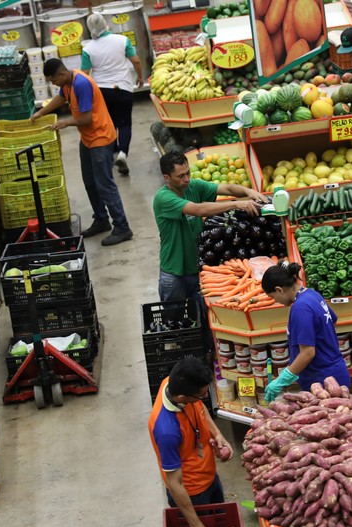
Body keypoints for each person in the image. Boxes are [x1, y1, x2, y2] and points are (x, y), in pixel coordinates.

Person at [31, 58, 133, 246]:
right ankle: (101, 220)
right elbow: (61, 97)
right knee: (89, 182)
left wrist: (65, 122)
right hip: (87, 139)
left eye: (54, 81)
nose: (54, 85)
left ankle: (122, 227)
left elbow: (86, 118)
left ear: (61, 74)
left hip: (100, 138)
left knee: (105, 184)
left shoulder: (81, 84)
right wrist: (41, 113)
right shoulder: (68, 84)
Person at [154, 150, 266, 309]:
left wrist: (248, 191)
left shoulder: (193, 186)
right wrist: (236, 204)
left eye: (188, 173)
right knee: (177, 322)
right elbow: (199, 210)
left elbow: (226, 188)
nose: (186, 179)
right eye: (180, 176)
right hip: (174, 273)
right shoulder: (163, 198)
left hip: (199, 269)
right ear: (167, 178)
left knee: (203, 318)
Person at [149, 355, 234, 527]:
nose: (204, 397)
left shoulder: (171, 384)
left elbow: (200, 406)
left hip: (210, 478)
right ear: (182, 398)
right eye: (202, 394)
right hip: (193, 494)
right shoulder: (167, 430)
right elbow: (174, 482)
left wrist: (217, 434)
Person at [260, 262, 351, 402]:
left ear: (279, 290)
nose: (276, 301)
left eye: (273, 297)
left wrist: (283, 378)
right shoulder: (312, 294)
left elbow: (308, 352)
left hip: (324, 383)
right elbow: (333, 318)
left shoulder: (300, 308)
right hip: (335, 372)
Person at [81, 13, 142, 177]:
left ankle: (114, 154)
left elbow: (84, 74)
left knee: (109, 123)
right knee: (124, 123)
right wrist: (140, 77)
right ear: (104, 23)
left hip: (101, 92)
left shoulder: (88, 49)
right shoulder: (121, 40)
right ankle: (123, 153)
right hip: (123, 88)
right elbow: (135, 60)